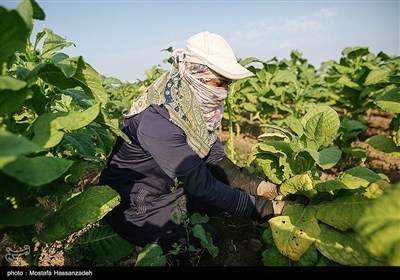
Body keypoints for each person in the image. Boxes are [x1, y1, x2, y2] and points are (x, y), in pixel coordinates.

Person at [99, 31, 298, 262]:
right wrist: (269, 209)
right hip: (137, 204)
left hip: (168, 188)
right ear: (196, 74)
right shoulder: (159, 121)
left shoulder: (194, 110)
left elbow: (215, 161)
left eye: (228, 84)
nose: (224, 93)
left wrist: (260, 186)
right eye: (219, 83)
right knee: (207, 241)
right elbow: (202, 184)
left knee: (222, 199)